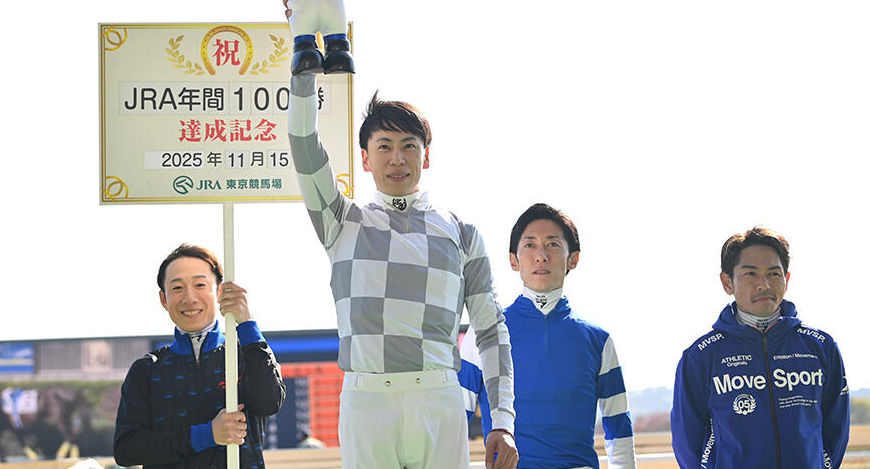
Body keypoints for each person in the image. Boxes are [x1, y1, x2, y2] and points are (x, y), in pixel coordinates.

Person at [288, 73, 518, 469]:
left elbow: (491, 330)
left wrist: (503, 420)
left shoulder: (462, 233)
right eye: (384, 146)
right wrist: (303, 74)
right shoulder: (341, 221)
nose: (397, 158)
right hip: (367, 401)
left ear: (425, 156)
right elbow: (304, 144)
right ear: (365, 157)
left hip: (439, 399)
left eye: (409, 146)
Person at [459, 203, 636, 469]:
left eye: (553, 244)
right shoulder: (484, 332)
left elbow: (618, 427)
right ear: (513, 260)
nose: (540, 255)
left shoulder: (598, 340)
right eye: (529, 245)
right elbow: (456, 419)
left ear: (573, 258)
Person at [671, 227, 850, 469]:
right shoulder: (701, 356)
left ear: (786, 281)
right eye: (750, 274)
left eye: (774, 274)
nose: (763, 284)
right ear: (727, 282)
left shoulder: (821, 347)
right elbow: (687, 443)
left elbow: (836, 431)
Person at [114, 244, 285, 468]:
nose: (189, 298)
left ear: (219, 292)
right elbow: (127, 450)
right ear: (163, 299)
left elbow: (269, 403)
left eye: (200, 285)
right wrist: (207, 435)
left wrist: (247, 323)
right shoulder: (146, 369)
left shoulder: (247, 354)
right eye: (177, 288)